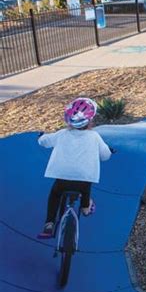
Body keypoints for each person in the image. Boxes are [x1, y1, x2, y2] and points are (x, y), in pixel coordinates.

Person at [37, 97, 112, 239]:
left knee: (55, 195)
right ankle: (85, 208)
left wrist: (41, 136)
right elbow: (105, 155)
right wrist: (109, 152)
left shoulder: (62, 134)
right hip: (84, 180)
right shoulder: (94, 136)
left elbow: (44, 142)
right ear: (90, 121)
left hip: (62, 178)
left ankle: (49, 223)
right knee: (85, 189)